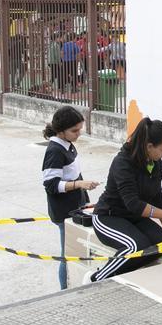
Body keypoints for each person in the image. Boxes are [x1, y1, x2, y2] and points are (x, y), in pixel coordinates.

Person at [87, 117, 162, 283]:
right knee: (136, 246)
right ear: (149, 147)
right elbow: (134, 204)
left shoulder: (156, 164)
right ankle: (97, 279)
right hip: (108, 217)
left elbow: (156, 195)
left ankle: (125, 276)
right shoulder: (122, 163)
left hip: (134, 219)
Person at [41, 105, 100, 289]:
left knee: (74, 251)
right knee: (67, 254)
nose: (78, 134)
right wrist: (79, 185)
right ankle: (63, 290)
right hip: (64, 210)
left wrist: (85, 198)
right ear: (60, 131)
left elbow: (75, 172)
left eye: (80, 129)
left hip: (77, 205)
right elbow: (50, 184)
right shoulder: (54, 151)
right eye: (74, 130)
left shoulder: (68, 145)